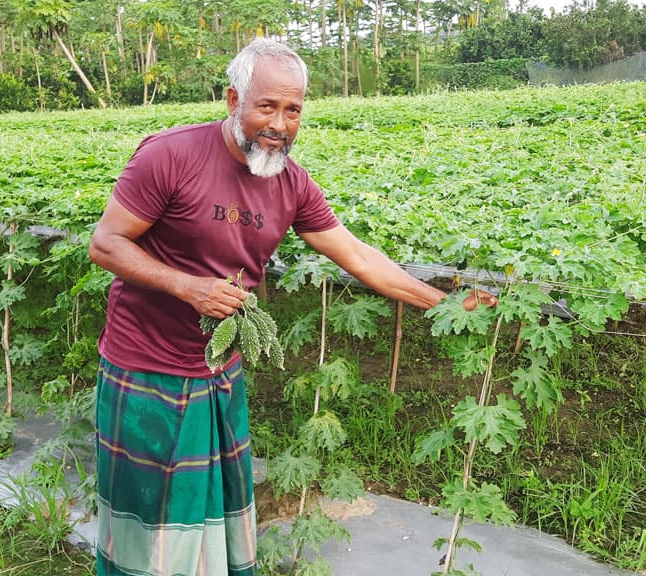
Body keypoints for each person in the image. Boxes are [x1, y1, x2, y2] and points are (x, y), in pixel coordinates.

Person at [88, 38, 497, 576]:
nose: (279, 124)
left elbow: (358, 256)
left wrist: (445, 305)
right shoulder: (170, 154)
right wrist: (190, 287)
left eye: (293, 109)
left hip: (216, 372)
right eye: (266, 106)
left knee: (215, 514)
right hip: (147, 371)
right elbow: (106, 244)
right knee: (150, 524)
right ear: (233, 100)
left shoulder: (291, 182)